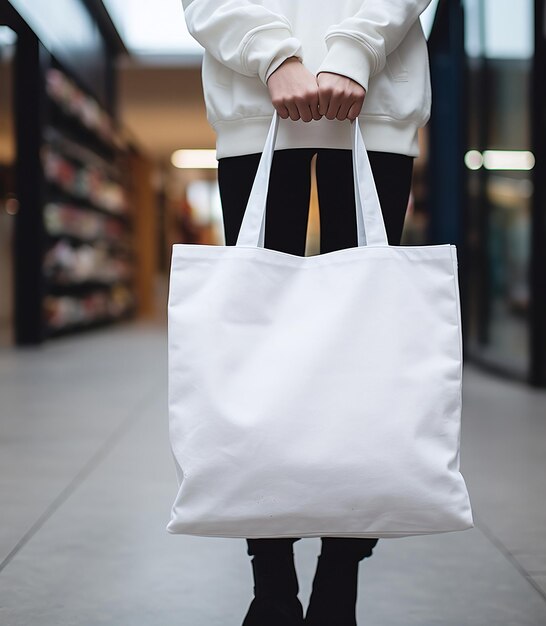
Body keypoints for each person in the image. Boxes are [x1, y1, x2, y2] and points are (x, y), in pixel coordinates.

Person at [180, 1, 434, 624]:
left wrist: (353, 50)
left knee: (363, 352)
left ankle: (338, 581)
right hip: (255, 102)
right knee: (257, 358)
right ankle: (272, 584)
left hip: (372, 100)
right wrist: (275, 55)